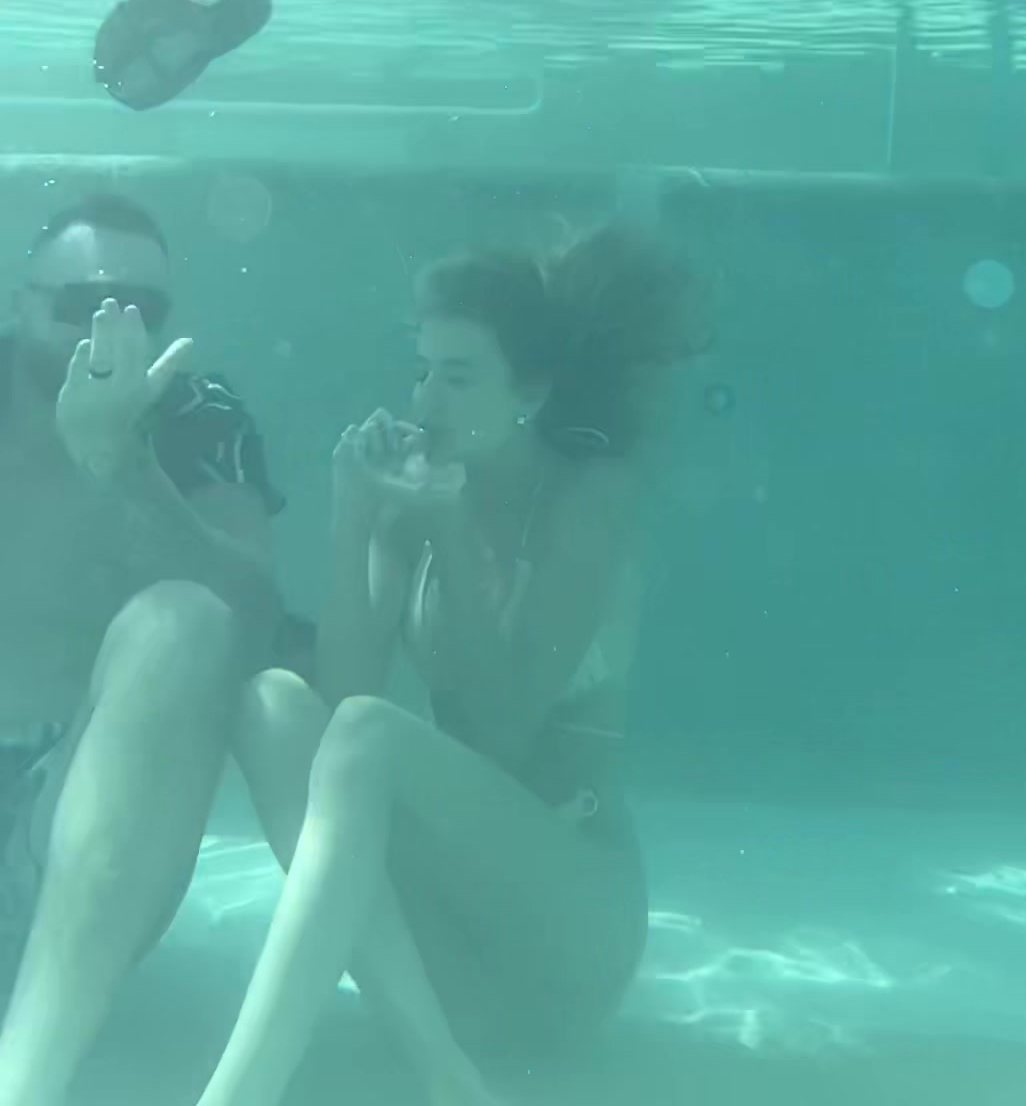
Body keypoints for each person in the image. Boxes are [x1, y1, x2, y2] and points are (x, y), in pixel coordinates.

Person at [195, 224, 698, 1106]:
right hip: (458, 972)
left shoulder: (588, 497)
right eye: (421, 370)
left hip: (571, 938)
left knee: (372, 736)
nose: (425, 400)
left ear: (531, 392)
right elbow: (337, 714)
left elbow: (504, 724)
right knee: (273, 705)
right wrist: (356, 514)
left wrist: (449, 529)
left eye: (458, 377)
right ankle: (440, 1062)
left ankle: (240, 1092)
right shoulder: (419, 501)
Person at [0, 193, 284, 1106]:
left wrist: (121, 462)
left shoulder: (196, 415)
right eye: (81, 303)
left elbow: (251, 624)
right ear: (21, 303)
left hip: (70, 837)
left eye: (140, 309)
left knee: (185, 622)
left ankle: (24, 1081)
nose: (108, 330)